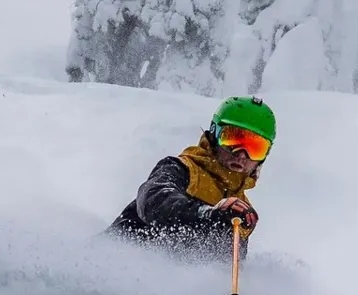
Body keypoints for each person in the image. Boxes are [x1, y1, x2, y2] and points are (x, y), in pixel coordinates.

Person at [106, 96, 275, 264]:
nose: (241, 154)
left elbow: (223, 269)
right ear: (214, 136)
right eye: (232, 140)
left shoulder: (240, 209)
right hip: (110, 267)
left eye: (255, 148)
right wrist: (208, 215)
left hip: (164, 286)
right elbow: (153, 201)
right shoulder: (181, 169)